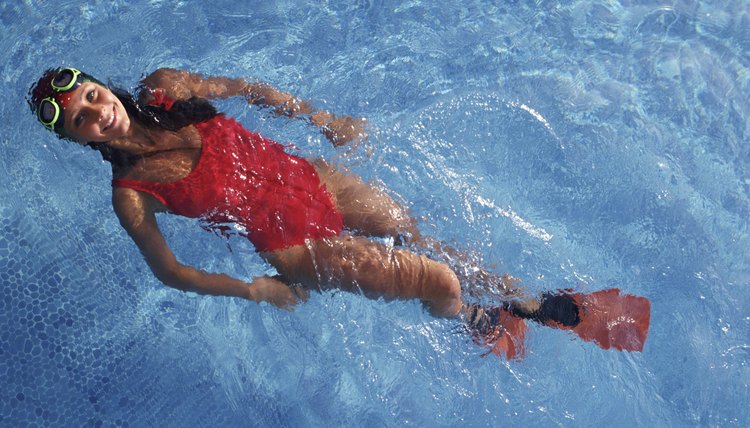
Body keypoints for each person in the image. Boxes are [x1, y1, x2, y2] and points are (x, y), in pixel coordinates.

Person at [29, 67, 650, 359]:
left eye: (90, 95)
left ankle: (546, 305)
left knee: (422, 235)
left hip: (312, 179)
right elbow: (169, 272)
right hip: (295, 247)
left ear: (99, 85)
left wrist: (322, 120)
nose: (96, 111)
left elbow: (249, 90)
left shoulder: (167, 88)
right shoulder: (131, 193)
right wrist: (254, 290)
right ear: (78, 139)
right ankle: (477, 317)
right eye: (82, 119)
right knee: (440, 280)